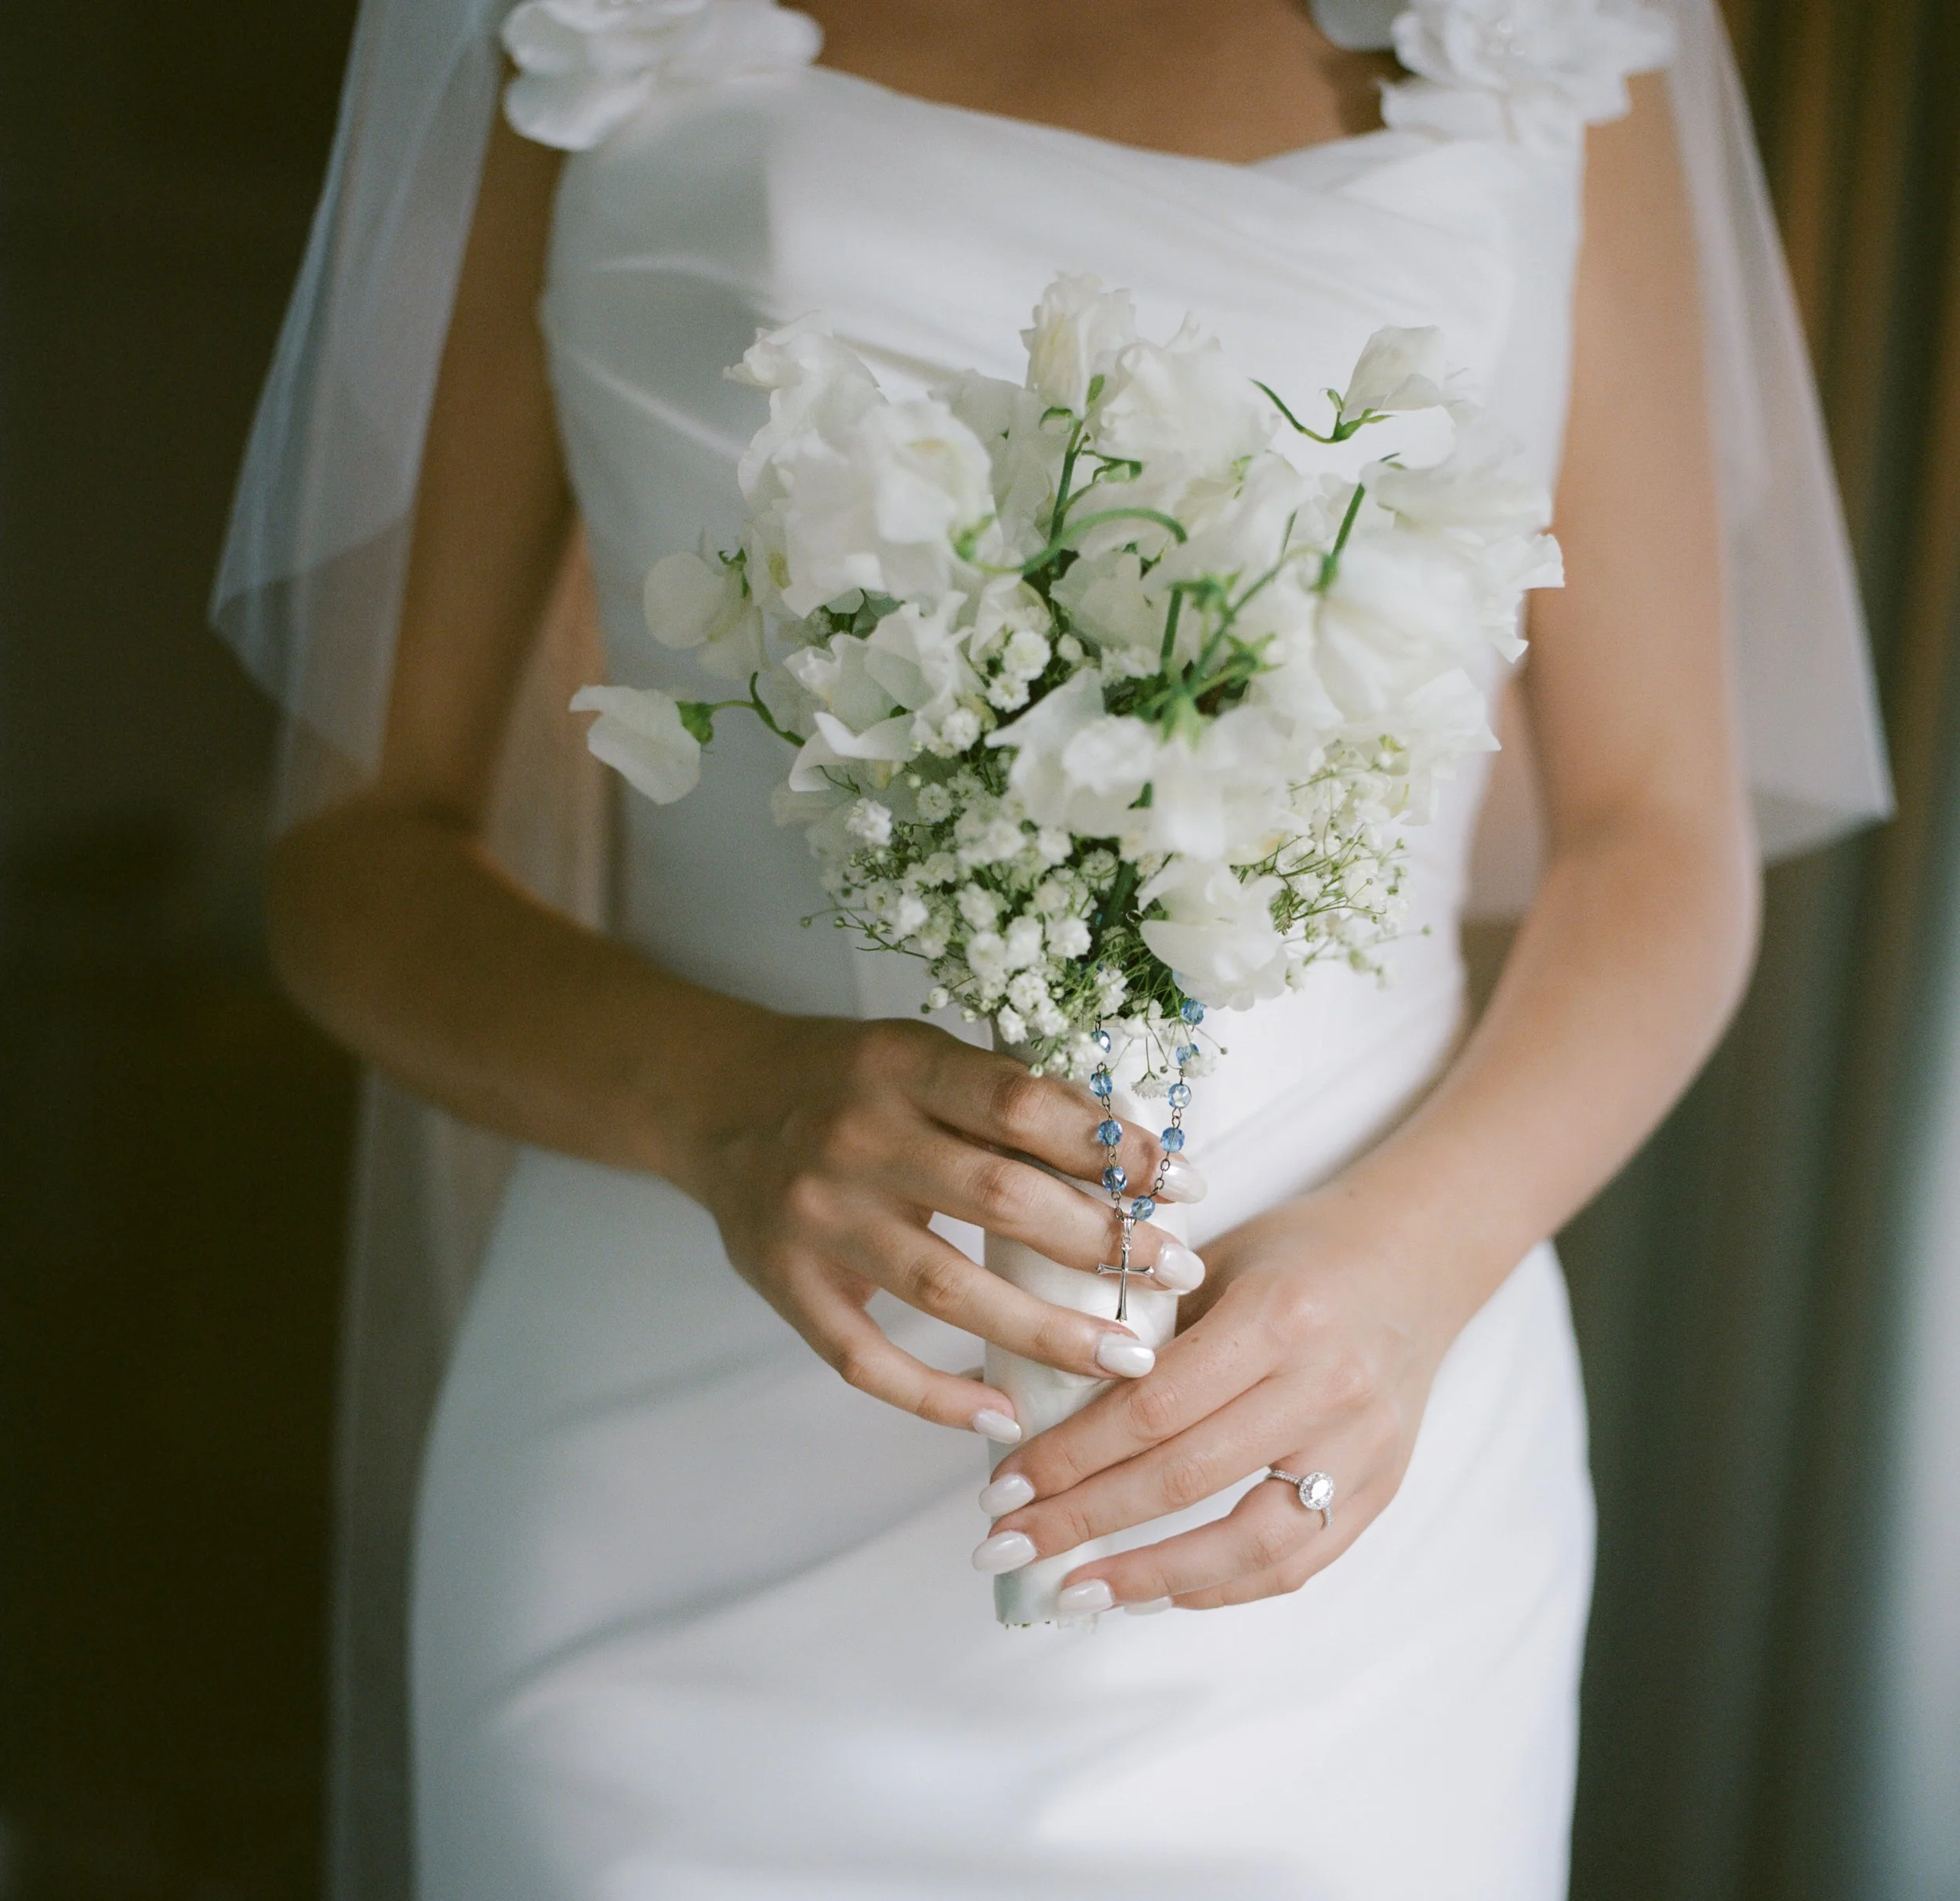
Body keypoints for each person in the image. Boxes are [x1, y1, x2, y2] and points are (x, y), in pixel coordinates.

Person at [220, 0, 1889, 1893]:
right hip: (681, 1487)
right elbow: (360, 857)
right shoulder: (592, 26)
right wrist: (722, 1103)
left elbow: (1656, 837)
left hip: (1331, 1466)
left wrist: (1404, 1281)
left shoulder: (1543, 34)